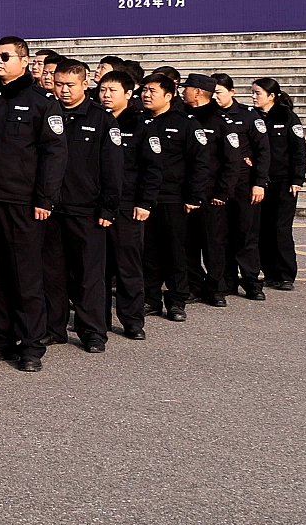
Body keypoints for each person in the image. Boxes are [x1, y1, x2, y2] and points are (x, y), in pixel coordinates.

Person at [0, 36, 65, 372]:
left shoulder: (40, 101)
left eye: (5, 56)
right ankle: (0, 338)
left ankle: (31, 344)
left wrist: (45, 197)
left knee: (25, 276)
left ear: (24, 61)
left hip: (22, 202)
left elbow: (54, 152)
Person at [44, 60, 123, 352]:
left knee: (89, 274)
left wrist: (108, 207)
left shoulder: (101, 118)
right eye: (59, 84)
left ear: (85, 84)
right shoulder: (47, 113)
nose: (64, 90)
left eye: (70, 85)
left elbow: (113, 167)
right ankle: (53, 328)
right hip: (51, 208)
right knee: (52, 274)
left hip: (86, 209)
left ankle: (92, 331)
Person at [138, 73, 210, 321]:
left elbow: (200, 162)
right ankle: (150, 299)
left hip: (173, 197)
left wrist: (194, 196)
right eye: (144, 90)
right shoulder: (138, 121)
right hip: (144, 198)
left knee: (175, 251)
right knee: (148, 252)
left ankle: (177, 299)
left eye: (152, 91)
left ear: (169, 95)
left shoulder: (185, 123)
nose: (146, 95)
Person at [100, 70, 158, 341]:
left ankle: (132, 320)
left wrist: (145, 202)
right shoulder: (96, 119)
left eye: (112, 91)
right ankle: (97, 320)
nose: (106, 95)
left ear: (128, 93)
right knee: (97, 267)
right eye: (103, 90)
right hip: (97, 203)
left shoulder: (141, 124)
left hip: (127, 205)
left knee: (128, 266)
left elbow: (152, 167)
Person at [182, 74, 243, 308]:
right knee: (187, 243)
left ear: (197, 92)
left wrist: (222, 192)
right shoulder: (182, 117)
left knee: (213, 243)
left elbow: (232, 161)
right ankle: (193, 285)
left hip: (211, 194)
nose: (183, 92)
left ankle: (216, 287)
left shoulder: (221, 122)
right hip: (185, 192)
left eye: (187, 88)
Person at [212, 73, 269, 301]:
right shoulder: (209, 117)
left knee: (246, 234)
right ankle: (227, 280)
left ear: (231, 92)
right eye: (212, 93)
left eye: (219, 92)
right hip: (219, 185)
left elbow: (263, 151)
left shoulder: (248, 116)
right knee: (221, 235)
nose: (215, 97)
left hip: (245, 185)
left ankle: (252, 281)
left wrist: (259, 182)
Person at [252, 77, 306, 291]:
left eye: (258, 93)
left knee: (280, 229)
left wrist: (297, 179)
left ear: (271, 96)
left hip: (283, 182)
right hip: (260, 182)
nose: (254, 97)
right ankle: (269, 272)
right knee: (262, 229)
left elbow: (298, 150)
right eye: (253, 92)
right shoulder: (253, 117)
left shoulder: (287, 117)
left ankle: (285, 274)